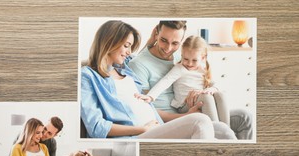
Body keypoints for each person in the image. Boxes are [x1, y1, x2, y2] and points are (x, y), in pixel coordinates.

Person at [80, 20, 234, 140]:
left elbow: (138, 56)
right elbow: (96, 127)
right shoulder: (88, 77)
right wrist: (142, 129)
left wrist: (152, 40)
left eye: (130, 46)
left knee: (223, 130)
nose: (128, 51)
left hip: (157, 127)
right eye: (126, 46)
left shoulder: (123, 68)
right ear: (110, 43)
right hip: (135, 135)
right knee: (200, 121)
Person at [128, 20, 253, 140]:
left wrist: (206, 90)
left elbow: (205, 77)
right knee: (221, 129)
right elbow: (146, 108)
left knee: (245, 116)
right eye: (163, 40)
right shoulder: (139, 65)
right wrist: (186, 115)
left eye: (175, 43)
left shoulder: (184, 56)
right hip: (171, 120)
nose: (168, 48)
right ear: (156, 33)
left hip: (197, 109)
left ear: (181, 42)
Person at [135, 35, 230, 126]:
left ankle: (226, 130)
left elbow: (215, 84)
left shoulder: (203, 69)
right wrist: (150, 97)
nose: (189, 63)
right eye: (186, 59)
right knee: (206, 97)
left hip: (200, 100)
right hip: (184, 105)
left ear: (203, 58)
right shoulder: (180, 68)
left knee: (221, 94)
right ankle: (216, 133)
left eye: (194, 60)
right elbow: (165, 82)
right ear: (181, 55)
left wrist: (212, 89)